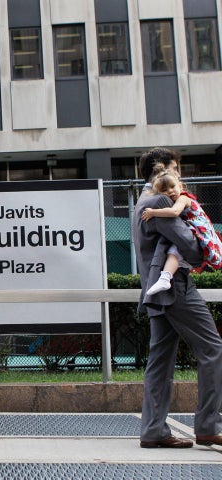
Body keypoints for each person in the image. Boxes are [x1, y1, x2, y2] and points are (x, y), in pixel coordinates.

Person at [134, 147, 222, 449]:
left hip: (156, 293)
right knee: (213, 349)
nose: (178, 177)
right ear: (161, 170)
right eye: (174, 169)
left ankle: (153, 430)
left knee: (159, 364)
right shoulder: (161, 201)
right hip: (176, 290)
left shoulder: (141, 203)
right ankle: (209, 426)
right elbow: (192, 247)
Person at [142, 167, 222, 295]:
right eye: (164, 190)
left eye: (172, 186)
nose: (170, 191)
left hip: (198, 231)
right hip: (197, 232)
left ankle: (165, 277)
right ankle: (167, 276)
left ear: (180, 185)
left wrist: (153, 212)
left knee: (175, 249)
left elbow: (174, 212)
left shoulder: (183, 198)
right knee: (178, 252)